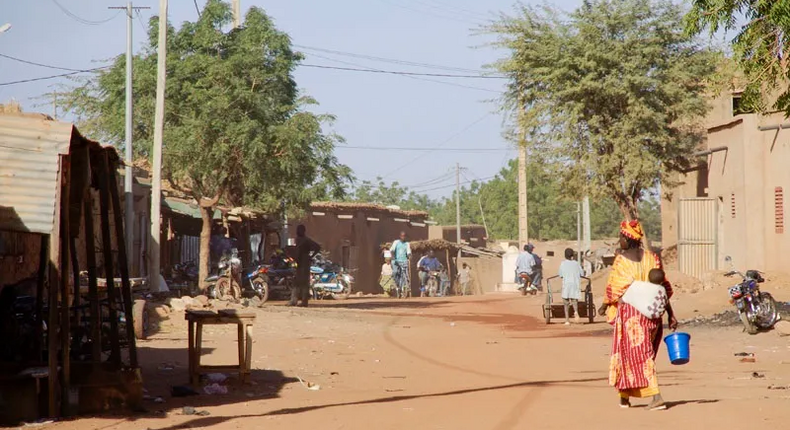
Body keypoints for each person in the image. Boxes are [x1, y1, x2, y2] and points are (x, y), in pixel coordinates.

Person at [598, 220, 677, 411]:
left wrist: (603, 306)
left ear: (628, 238)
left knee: (641, 356)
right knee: (631, 355)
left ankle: (656, 396)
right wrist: (670, 314)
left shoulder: (622, 260)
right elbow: (662, 288)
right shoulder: (653, 258)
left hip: (631, 316)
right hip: (652, 315)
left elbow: (614, 288)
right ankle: (624, 395)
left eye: (621, 237)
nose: (620, 241)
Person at [289, 225, 321, 307]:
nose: (297, 232)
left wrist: (311, 256)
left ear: (303, 231)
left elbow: (317, 247)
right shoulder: (298, 240)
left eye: (299, 230)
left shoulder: (306, 240)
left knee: (304, 283)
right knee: (296, 283)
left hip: (305, 263)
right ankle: (294, 301)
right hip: (299, 263)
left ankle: (304, 302)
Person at [558, 248, 585, 325]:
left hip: (566, 284)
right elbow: (582, 274)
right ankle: (576, 311)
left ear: (565, 255)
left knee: (566, 302)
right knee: (574, 300)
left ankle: (567, 320)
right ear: (572, 255)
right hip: (575, 284)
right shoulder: (576, 263)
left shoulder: (563, 264)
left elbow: (561, 275)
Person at [390, 232, 412, 297]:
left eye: (404, 236)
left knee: (406, 274)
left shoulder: (407, 244)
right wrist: (393, 257)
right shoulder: (396, 242)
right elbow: (392, 250)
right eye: (402, 236)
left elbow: (408, 252)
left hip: (404, 261)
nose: (403, 237)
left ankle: (406, 287)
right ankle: (396, 285)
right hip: (396, 261)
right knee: (395, 272)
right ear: (400, 236)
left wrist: (410, 256)